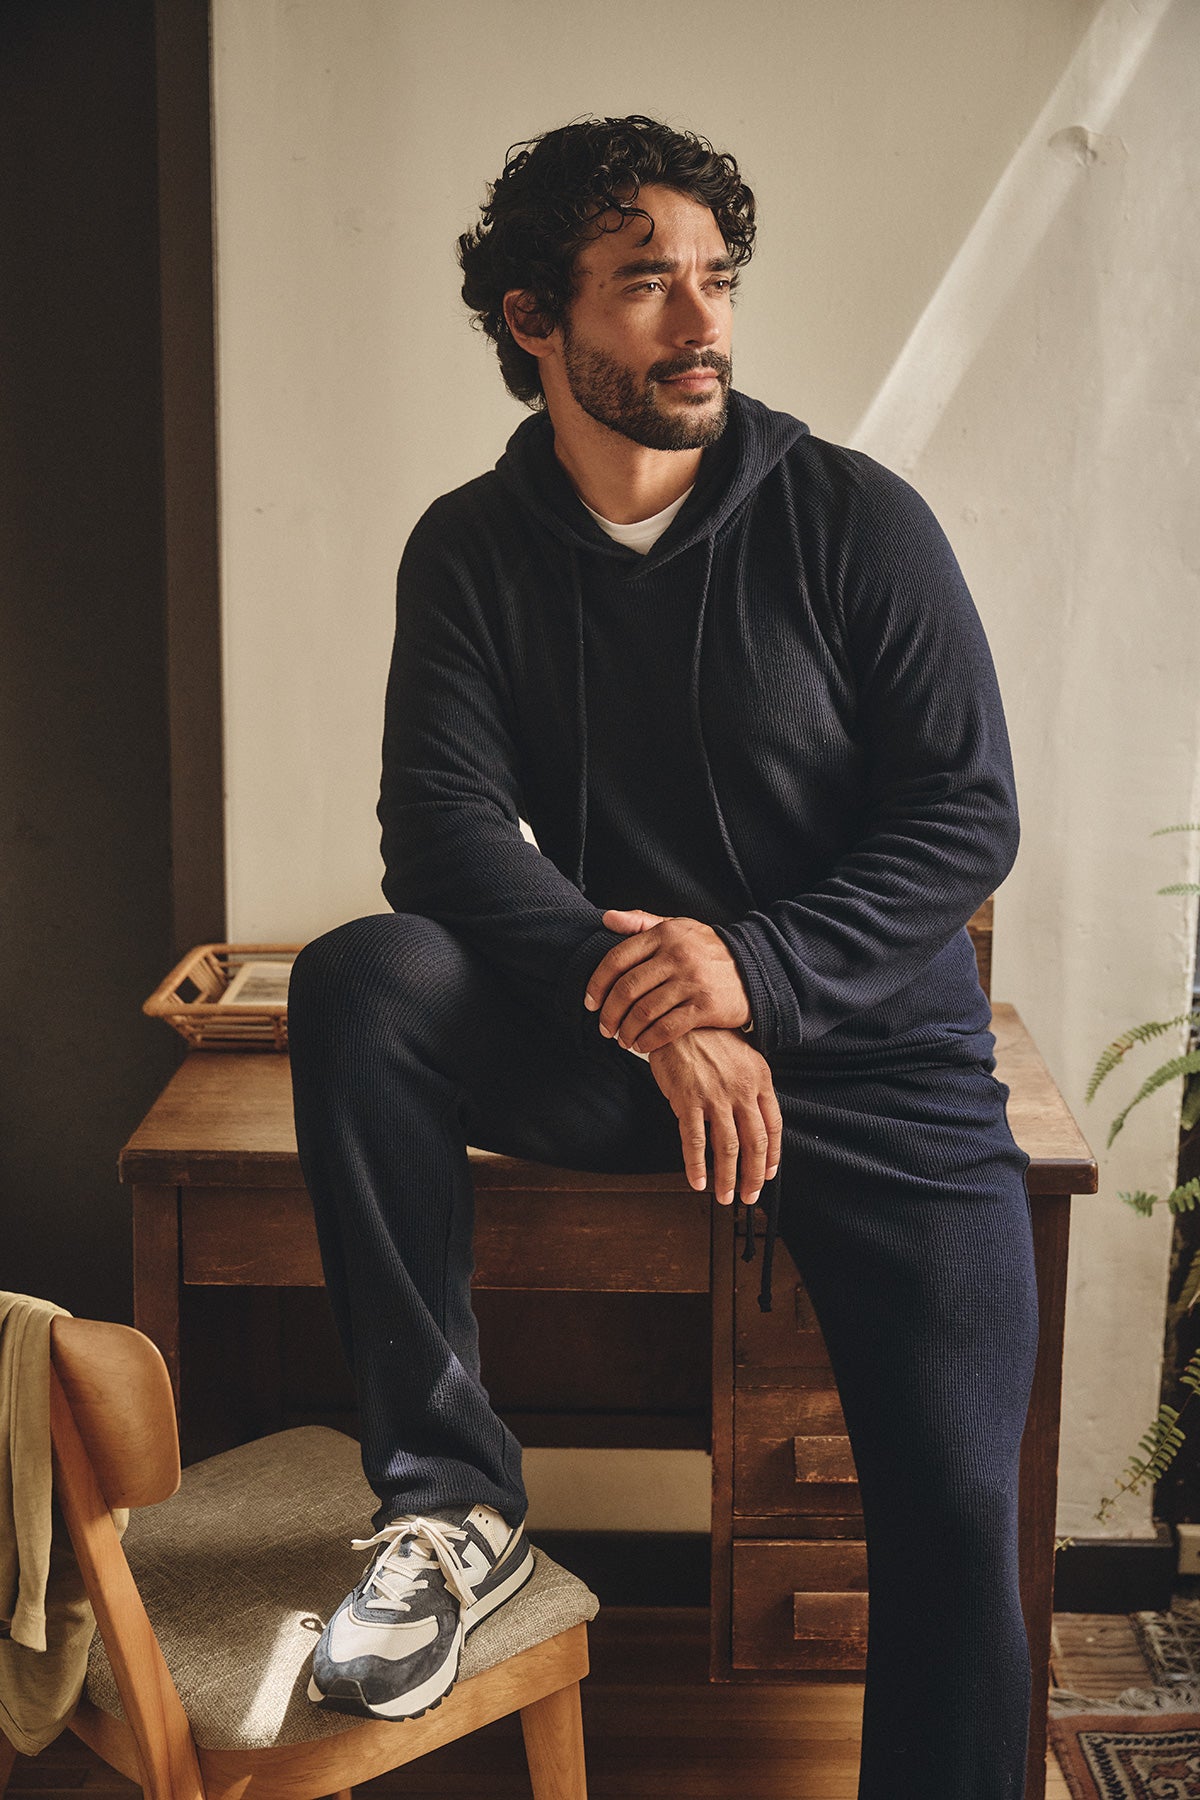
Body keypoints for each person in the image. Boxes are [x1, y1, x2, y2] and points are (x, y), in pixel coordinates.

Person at [287, 115, 1039, 1798]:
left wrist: (748, 978)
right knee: (367, 977)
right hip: (634, 1049)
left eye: (715, 280)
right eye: (645, 285)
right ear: (529, 322)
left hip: (879, 1071)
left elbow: (964, 817)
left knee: (959, 1514)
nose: (702, 323)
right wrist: (659, 1009)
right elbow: (445, 833)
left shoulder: (855, 521)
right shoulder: (471, 549)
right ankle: (452, 1502)